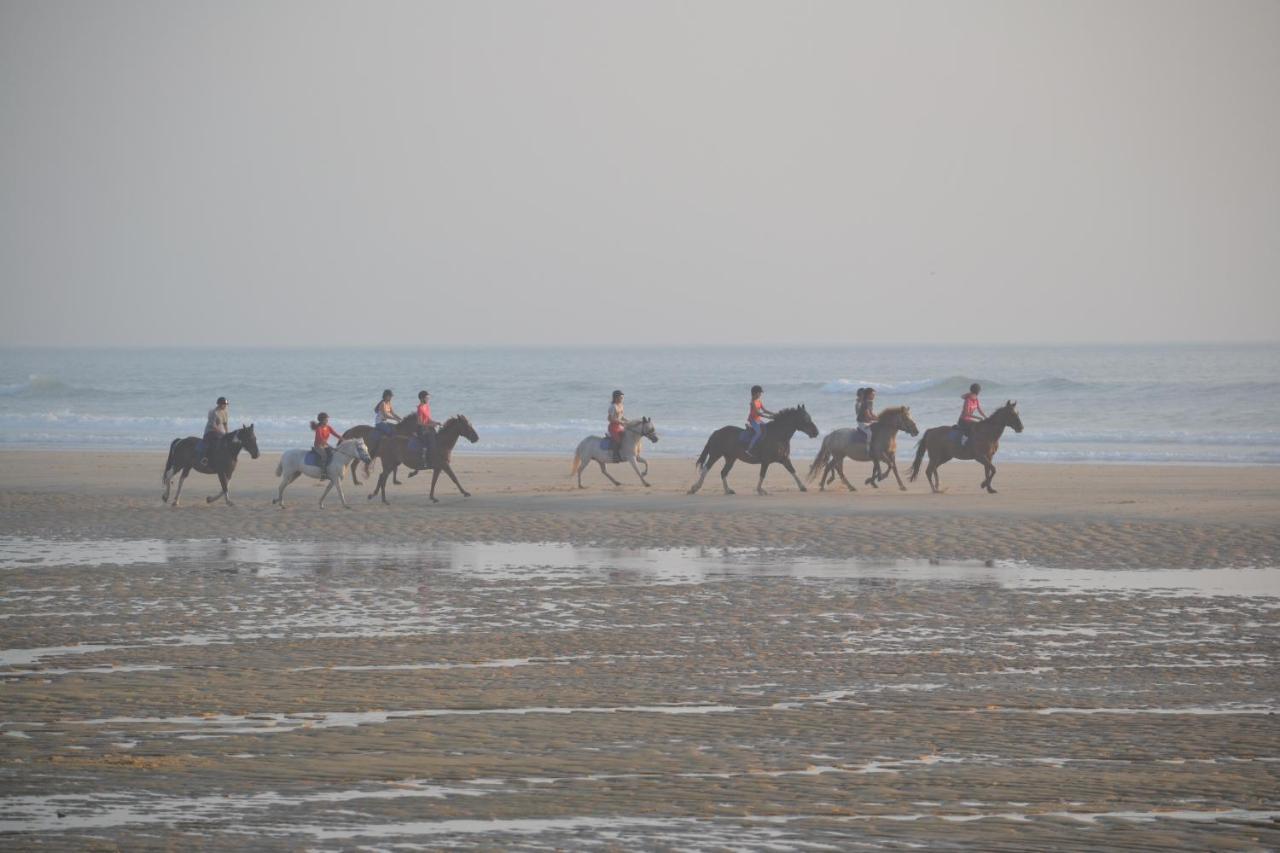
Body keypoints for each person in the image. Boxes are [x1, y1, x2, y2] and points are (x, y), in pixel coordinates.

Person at [745, 385, 775, 457]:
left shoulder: (759, 401)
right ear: (755, 393)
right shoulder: (753, 402)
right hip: (753, 420)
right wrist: (768, 417)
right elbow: (758, 413)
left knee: (766, 428)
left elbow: (764, 410)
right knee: (758, 433)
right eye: (759, 393)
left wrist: (774, 414)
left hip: (758, 419)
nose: (760, 394)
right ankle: (749, 449)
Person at [200, 397, 229, 468]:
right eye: (224, 404)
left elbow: (225, 424)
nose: (225, 406)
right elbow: (213, 426)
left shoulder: (225, 411)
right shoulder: (214, 412)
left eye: (226, 404)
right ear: (219, 404)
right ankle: (205, 458)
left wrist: (227, 433)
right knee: (214, 442)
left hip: (219, 431)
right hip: (210, 431)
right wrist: (222, 433)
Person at [956, 382, 987, 447]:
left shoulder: (976, 399)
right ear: (977, 391)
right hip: (963, 420)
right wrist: (978, 418)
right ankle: (963, 442)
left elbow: (979, 409)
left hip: (969, 420)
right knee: (974, 427)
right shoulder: (968, 400)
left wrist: (985, 417)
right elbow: (966, 413)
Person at [311, 412, 340, 479]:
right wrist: (327, 444)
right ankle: (323, 472)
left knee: (333, 453)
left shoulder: (328, 427)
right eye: (326, 419)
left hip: (325, 445)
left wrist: (343, 439)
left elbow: (335, 434)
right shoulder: (319, 428)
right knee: (324, 456)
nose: (327, 420)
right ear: (322, 420)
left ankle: (331, 469)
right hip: (318, 446)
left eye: (327, 419)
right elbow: (320, 438)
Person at [416, 390, 440, 467]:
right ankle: (425, 460)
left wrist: (435, 422)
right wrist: (430, 425)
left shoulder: (427, 406)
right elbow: (419, 423)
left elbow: (428, 419)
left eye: (428, 398)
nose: (428, 399)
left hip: (428, 427)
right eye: (427, 398)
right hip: (421, 429)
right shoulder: (420, 408)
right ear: (422, 398)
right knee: (428, 441)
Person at [606, 390, 627, 462]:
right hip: (613, 427)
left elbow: (621, 416)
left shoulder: (621, 406)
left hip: (620, 426)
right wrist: (620, 422)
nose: (622, 399)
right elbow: (610, 419)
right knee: (618, 440)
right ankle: (614, 456)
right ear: (616, 398)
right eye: (621, 397)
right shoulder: (612, 407)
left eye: (622, 397)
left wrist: (627, 421)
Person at [856, 387, 878, 452]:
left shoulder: (870, 402)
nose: (874, 396)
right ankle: (868, 449)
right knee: (870, 433)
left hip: (867, 421)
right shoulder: (865, 403)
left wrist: (880, 418)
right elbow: (868, 416)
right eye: (873, 394)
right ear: (868, 395)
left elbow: (872, 414)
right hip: (862, 422)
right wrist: (876, 419)